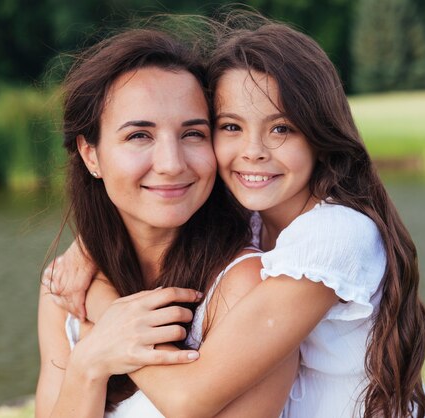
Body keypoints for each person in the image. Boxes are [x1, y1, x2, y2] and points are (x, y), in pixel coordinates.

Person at [49, 14, 425, 418]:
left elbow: (187, 399)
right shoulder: (254, 213)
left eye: (282, 129)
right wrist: (88, 248)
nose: (253, 151)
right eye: (231, 126)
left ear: (320, 135)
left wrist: (108, 310)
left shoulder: (335, 234)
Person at [35, 27, 298, 418]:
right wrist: (88, 366)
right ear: (91, 155)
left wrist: (106, 312)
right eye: (140, 135)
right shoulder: (66, 289)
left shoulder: (246, 287)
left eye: (193, 133)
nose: (172, 164)